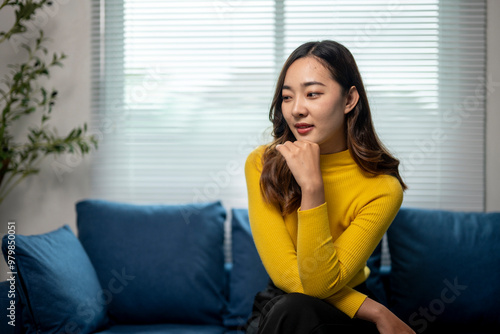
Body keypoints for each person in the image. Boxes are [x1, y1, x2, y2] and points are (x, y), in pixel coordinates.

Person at [244, 40, 416, 334]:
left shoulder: (383, 188)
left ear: (349, 100)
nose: (297, 109)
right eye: (287, 97)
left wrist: (313, 189)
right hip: (282, 305)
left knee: (299, 310)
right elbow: (287, 274)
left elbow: (322, 284)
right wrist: (375, 311)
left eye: (312, 94)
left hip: (341, 313)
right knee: (291, 308)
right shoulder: (263, 163)